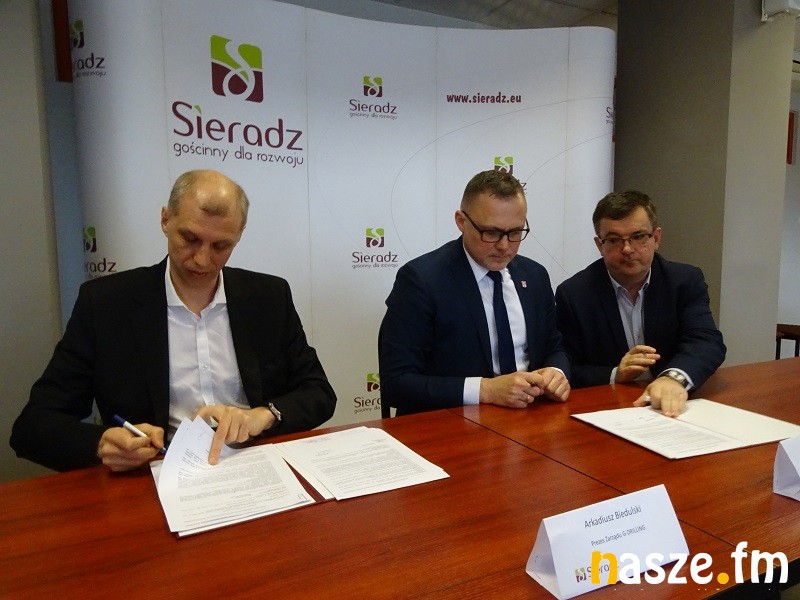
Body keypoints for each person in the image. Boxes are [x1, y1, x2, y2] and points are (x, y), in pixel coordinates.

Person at [11, 169, 336, 472]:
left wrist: (263, 416)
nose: (202, 259)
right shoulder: (107, 304)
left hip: (256, 466)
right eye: (190, 238)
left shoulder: (268, 296)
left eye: (221, 246)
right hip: (157, 473)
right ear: (166, 220)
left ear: (239, 235)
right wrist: (101, 443)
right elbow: (33, 426)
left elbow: (318, 392)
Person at [379, 170, 570, 415]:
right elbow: (396, 383)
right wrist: (485, 390)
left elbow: (554, 347)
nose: (504, 246)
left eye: (515, 232)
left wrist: (556, 372)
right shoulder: (422, 280)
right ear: (461, 221)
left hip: (530, 416)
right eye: (490, 233)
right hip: (452, 422)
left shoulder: (534, 276)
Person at [554, 190, 725, 417]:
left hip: (674, 406)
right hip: (609, 409)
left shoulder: (684, 281)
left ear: (656, 238)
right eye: (614, 240)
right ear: (599, 245)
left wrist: (673, 378)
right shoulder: (574, 294)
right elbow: (568, 366)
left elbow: (707, 342)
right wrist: (615, 374)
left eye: (638, 236)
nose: (627, 249)